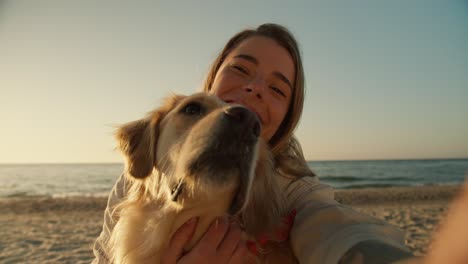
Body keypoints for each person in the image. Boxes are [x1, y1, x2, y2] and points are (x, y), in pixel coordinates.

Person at [93, 23, 416, 264]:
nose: (256, 89)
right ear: (213, 76)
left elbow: (333, 226)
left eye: (277, 90)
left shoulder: (292, 190)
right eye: (240, 68)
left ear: (285, 120)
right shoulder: (140, 172)